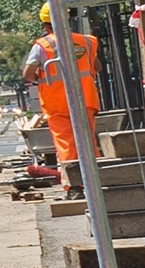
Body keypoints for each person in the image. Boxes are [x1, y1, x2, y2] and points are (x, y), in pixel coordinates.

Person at [23, 22, 101, 174]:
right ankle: (96, 181)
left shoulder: (42, 45)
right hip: (85, 99)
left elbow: (28, 74)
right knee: (87, 141)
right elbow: (97, 66)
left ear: (46, 26)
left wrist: (41, 78)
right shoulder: (87, 41)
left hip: (57, 103)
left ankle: (74, 185)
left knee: (66, 144)